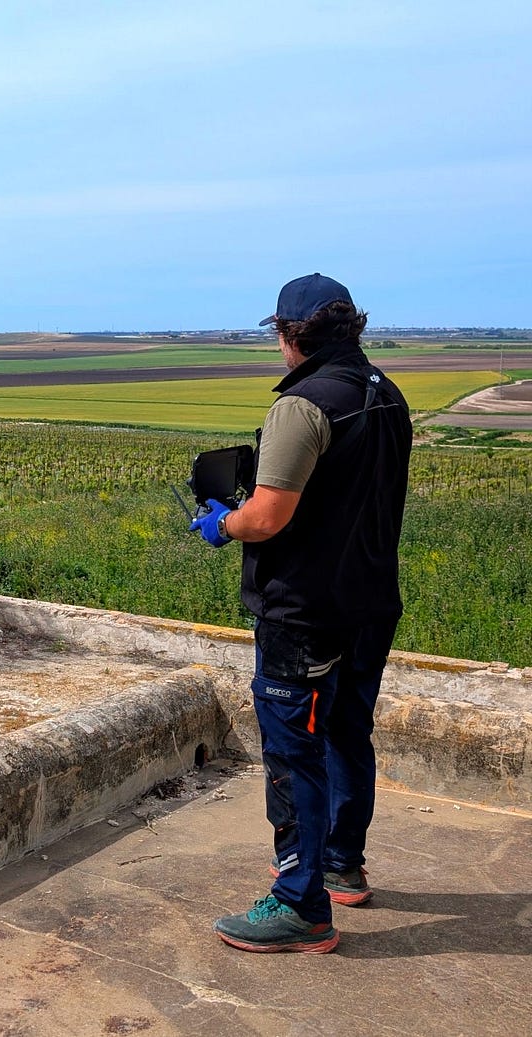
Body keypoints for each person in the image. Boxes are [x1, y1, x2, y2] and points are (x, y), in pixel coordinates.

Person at [190, 273, 412, 953]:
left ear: (288, 335)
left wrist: (222, 523)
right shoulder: (386, 395)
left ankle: (300, 901)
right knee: (348, 734)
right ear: (354, 330)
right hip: (370, 602)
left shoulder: (303, 406)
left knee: (292, 751)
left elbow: (269, 515)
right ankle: (341, 863)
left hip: (304, 611)